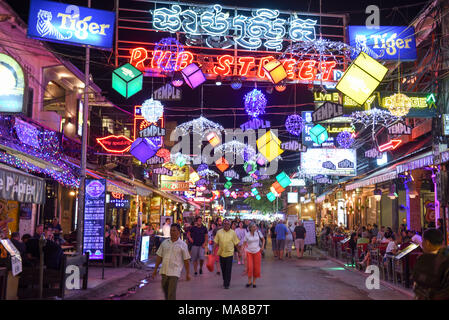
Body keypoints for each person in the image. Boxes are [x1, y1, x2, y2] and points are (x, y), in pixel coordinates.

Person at [152, 223, 191, 300]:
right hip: (164, 271)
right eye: (171, 230)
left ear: (178, 232)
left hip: (175, 272)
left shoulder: (183, 245)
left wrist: (187, 273)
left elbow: (186, 260)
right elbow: (159, 257)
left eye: (174, 230)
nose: (172, 232)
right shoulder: (164, 243)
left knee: (171, 294)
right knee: (165, 291)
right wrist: (155, 270)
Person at [412, 228, 449, 300]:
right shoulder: (446, 256)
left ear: (427, 243)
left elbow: (419, 284)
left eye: (423, 241)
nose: (422, 244)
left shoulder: (425, 260)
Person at [213, 219, 241, 289]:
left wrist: (239, 252)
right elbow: (216, 242)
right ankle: (225, 279)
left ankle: (227, 284)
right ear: (223, 225)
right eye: (225, 224)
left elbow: (236, 243)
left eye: (228, 224)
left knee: (228, 269)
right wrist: (213, 251)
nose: (226, 225)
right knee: (223, 269)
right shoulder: (219, 232)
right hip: (221, 253)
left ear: (230, 225)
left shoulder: (233, 233)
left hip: (230, 253)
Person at [243, 222, 265, 288]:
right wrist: (243, 252)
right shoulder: (247, 234)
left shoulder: (258, 232)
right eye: (253, 226)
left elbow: (263, 240)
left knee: (256, 267)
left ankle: (254, 282)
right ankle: (249, 281)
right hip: (249, 252)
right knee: (250, 267)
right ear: (250, 228)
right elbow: (244, 244)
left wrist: (262, 247)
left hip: (257, 251)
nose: (255, 228)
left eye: (255, 226)